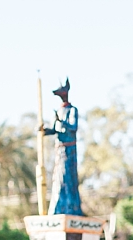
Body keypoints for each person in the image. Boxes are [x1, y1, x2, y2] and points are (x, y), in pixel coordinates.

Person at [42, 78, 82, 216]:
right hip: (59, 150)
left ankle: (72, 208)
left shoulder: (72, 110)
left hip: (69, 150)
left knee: (68, 178)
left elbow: (73, 127)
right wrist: (43, 130)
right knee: (59, 179)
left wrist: (61, 123)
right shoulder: (59, 111)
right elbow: (54, 130)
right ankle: (59, 208)